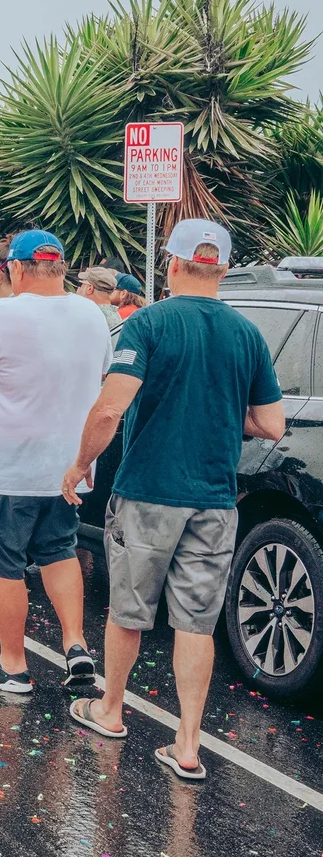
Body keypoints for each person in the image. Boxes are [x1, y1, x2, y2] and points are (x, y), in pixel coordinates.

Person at [61, 219, 285, 780]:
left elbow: (111, 408)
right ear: (224, 269)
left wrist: (81, 463)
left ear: (172, 264)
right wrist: (227, 416)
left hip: (148, 493)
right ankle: (187, 746)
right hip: (215, 499)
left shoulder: (150, 325)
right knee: (196, 623)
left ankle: (110, 710)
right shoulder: (248, 334)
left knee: (129, 611)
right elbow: (274, 425)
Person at [0, 229, 106, 690]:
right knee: (59, 552)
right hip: (68, 468)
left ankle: (13, 664)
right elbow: (101, 374)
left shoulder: (0, 316)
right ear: (60, 267)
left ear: (14, 268)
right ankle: (76, 644)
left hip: (7, 467)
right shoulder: (91, 314)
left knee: (3, 563)